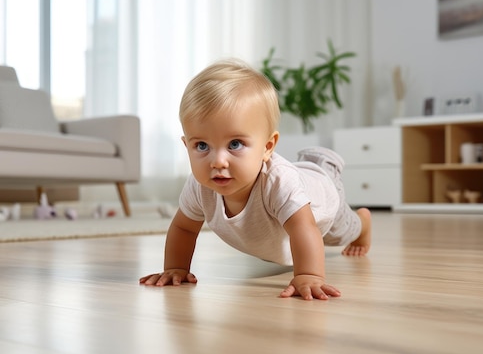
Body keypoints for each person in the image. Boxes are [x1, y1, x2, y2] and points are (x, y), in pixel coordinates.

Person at [139, 59, 372, 300]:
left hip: (323, 196)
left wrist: (309, 275)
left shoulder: (279, 183)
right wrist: (176, 268)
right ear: (186, 145)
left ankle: (363, 222)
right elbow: (184, 228)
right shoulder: (198, 187)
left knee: (341, 234)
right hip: (292, 203)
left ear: (267, 146)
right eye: (201, 145)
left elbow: (304, 228)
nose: (217, 161)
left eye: (235, 144)